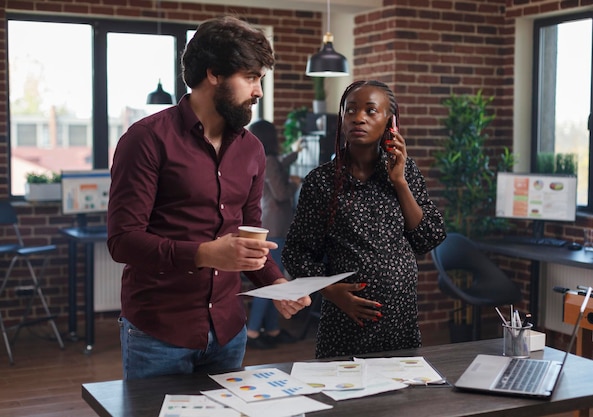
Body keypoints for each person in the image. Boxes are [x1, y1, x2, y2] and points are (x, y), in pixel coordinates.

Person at [107, 16, 310, 380]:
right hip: (159, 333)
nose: (258, 91)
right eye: (250, 77)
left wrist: (277, 284)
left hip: (229, 332)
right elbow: (123, 242)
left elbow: (250, 237)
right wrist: (203, 253)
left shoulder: (253, 150)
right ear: (214, 74)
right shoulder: (146, 140)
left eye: (260, 79)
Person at [282, 80, 447, 359]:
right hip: (345, 325)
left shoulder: (404, 172)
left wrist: (399, 182)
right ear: (342, 119)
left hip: (400, 325)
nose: (359, 117)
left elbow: (427, 237)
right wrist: (331, 291)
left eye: (371, 111)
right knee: (345, 399)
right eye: (351, 110)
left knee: (400, 399)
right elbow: (296, 254)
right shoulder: (321, 181)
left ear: (389, 122)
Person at [245, 120, 303, 349]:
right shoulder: (268, 160)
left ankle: (272, 329)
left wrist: (295, 153)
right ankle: (252, 332)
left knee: (274, 282)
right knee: (271, 282)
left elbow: (281, 162)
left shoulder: (265, 159)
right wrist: (295, 184)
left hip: (272, 225)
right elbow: (280, 193)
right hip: (275, 227)